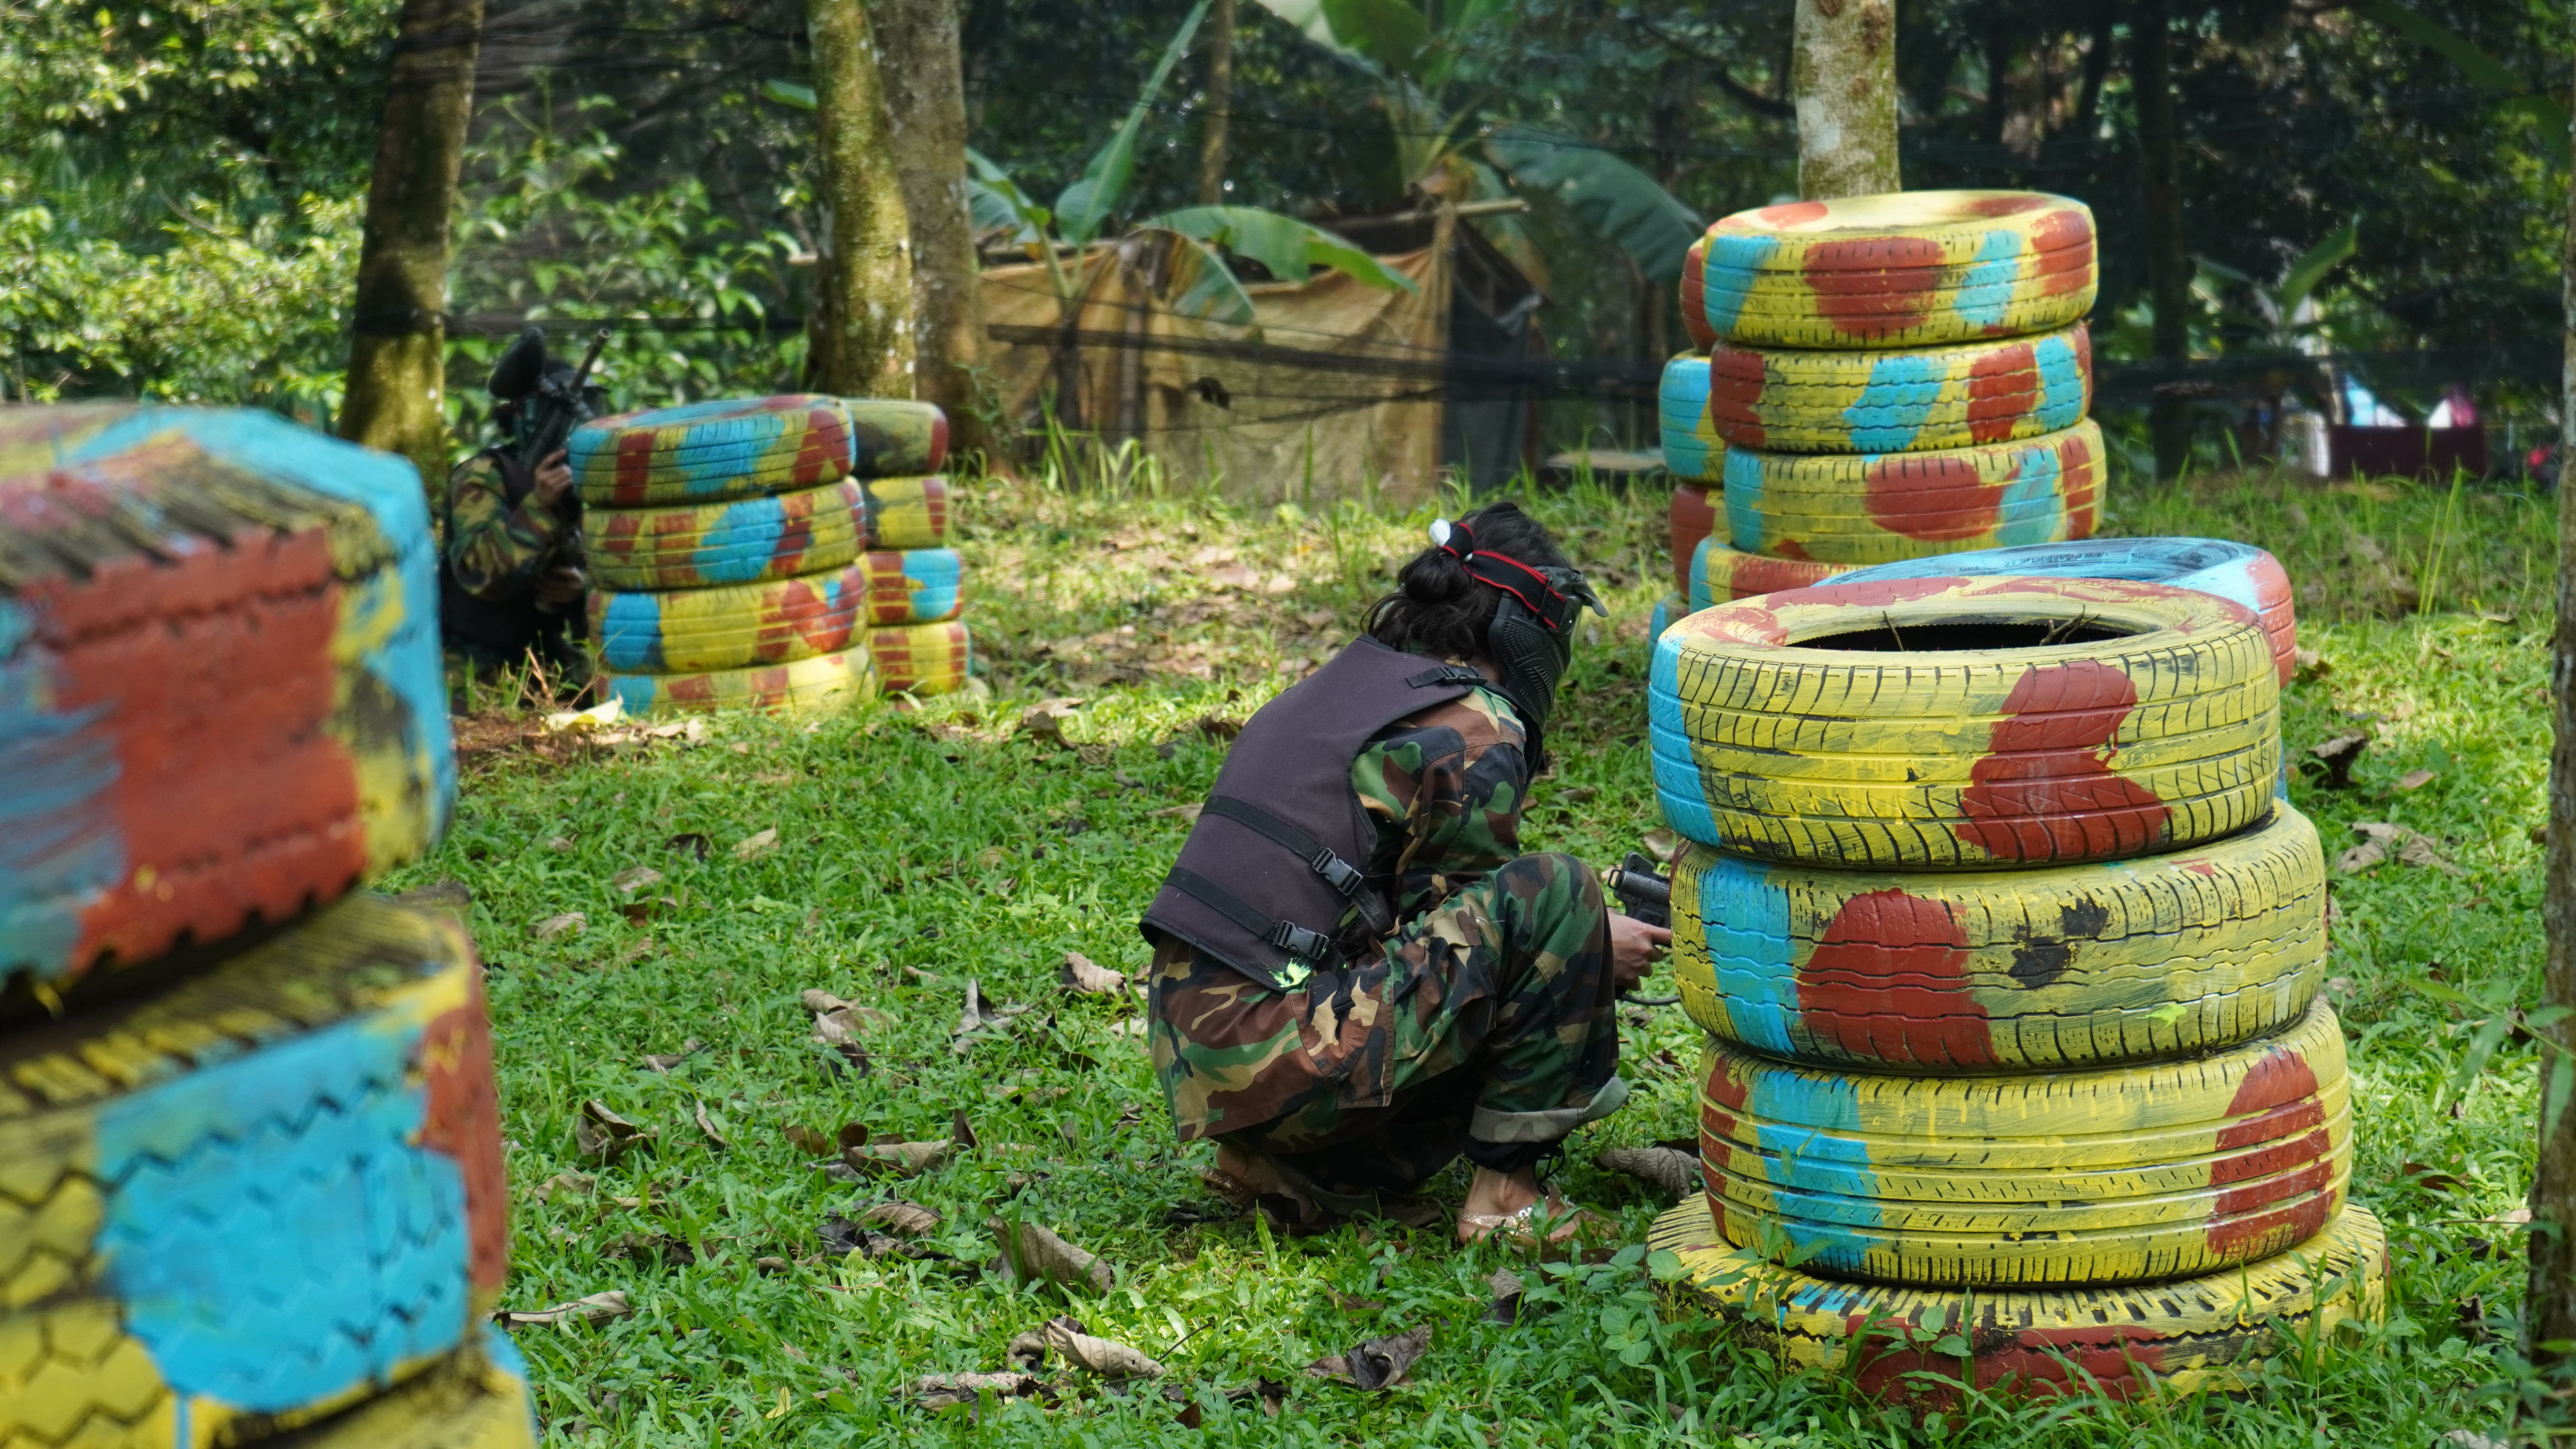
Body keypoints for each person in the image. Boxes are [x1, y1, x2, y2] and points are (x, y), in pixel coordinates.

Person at [1139, 502, 1672, 1246]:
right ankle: (1506, 1200)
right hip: (1280, 1050)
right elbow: (1483, 956)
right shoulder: (1474, 721)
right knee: (1558, 889)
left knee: (1527, 917)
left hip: (1199, 1052)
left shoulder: (1339, 689)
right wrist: (1588, 943)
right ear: (1526, 632)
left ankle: (1285, 1170)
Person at [439, 382, 591, 688]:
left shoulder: (586, 483)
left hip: (543, 657)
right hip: (470, 664)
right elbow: (481, 573)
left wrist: (580, 590)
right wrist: (538, 508)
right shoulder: (483, 477)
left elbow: (618, 577)